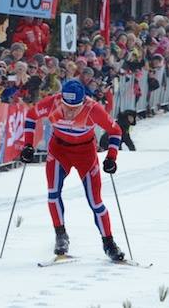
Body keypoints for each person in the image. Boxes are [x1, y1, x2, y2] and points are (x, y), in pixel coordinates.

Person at [20, 80, 126, 261]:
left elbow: (116, 131)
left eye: (75, 107)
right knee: (53, 194)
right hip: (59, 151)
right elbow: (30, 116)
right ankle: (61, 235)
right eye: (66, 106)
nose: (69, 111)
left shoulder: (94, 109)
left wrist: (111, 157)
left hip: (85, 154)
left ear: (83, 102)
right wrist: (28, 145)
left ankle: (109, 243)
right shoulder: (53, 103)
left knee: (95, 202)